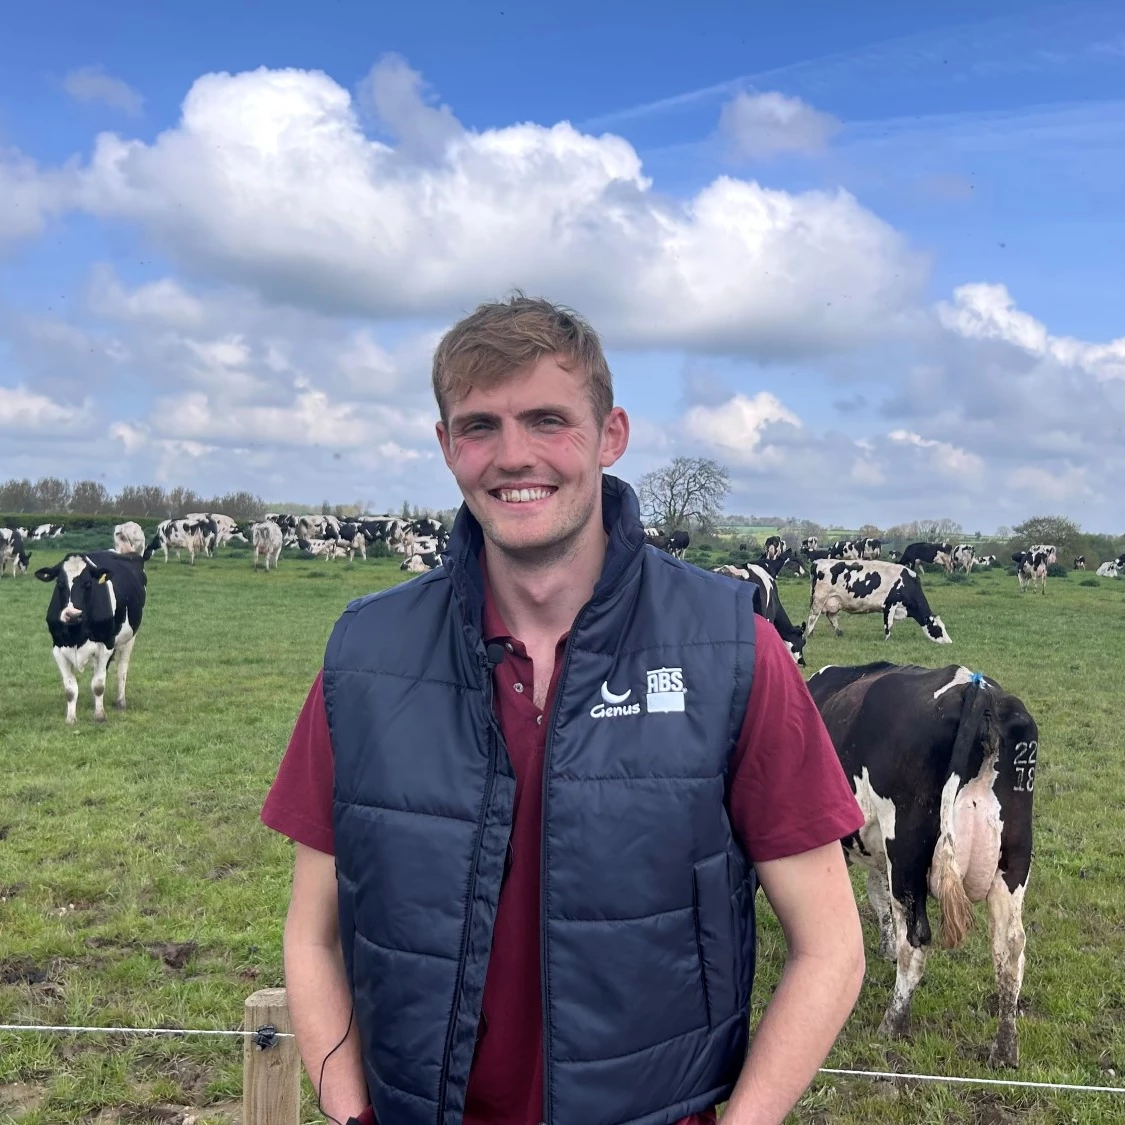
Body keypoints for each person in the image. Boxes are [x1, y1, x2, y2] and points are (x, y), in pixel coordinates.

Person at [262, 295, 866, 1125]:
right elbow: (312, 934)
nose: (513, 455)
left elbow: (829, 947)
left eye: (547, 420)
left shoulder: (733, 650)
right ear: (445, 446)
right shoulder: (365, 656)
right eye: (479, 426)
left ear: (610, 435)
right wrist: (350, 1114)